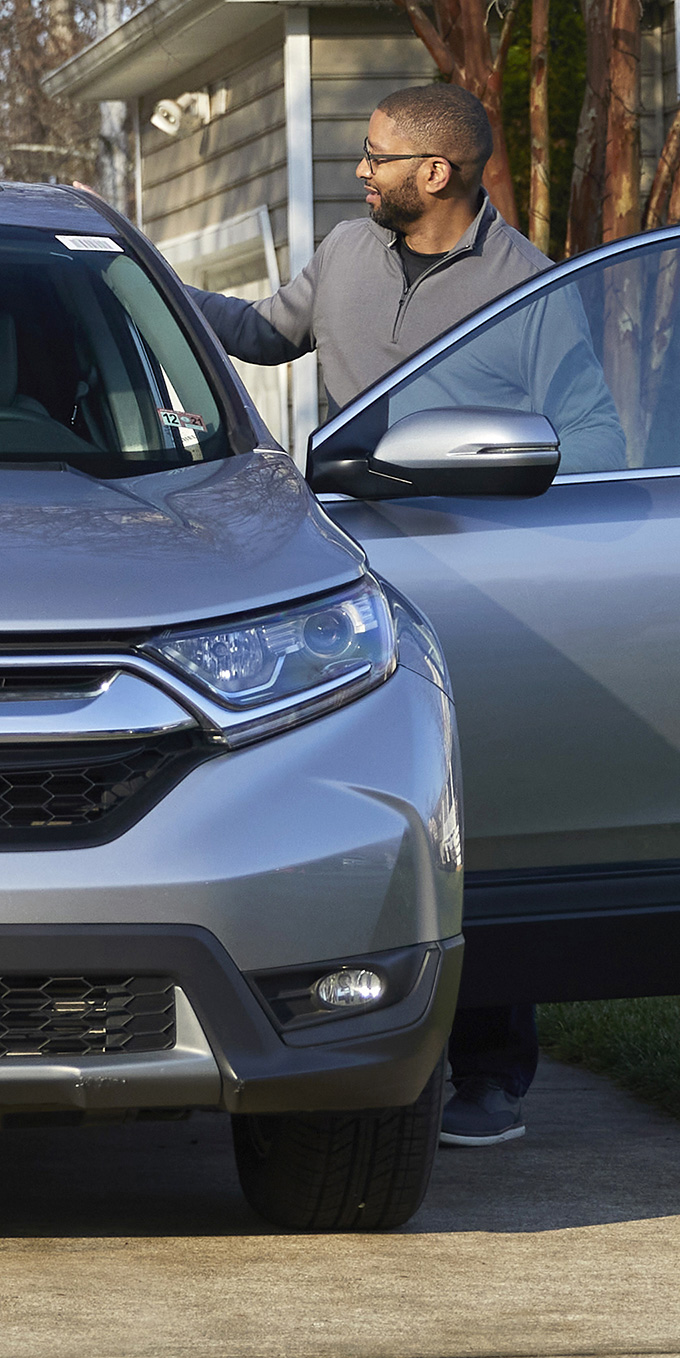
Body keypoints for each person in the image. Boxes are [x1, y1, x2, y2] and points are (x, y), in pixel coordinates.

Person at [189, 77, 551, 1151]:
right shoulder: (346, 254)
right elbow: (258, 332)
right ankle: (349, 1022)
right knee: (359, 812)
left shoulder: (527, 287)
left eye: (375, 155)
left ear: (431, 173)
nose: (360, 169)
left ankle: (490, 1070)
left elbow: (581, 431)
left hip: (481, 578)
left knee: (469, 821)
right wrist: (139, 275)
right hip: (346, 573)